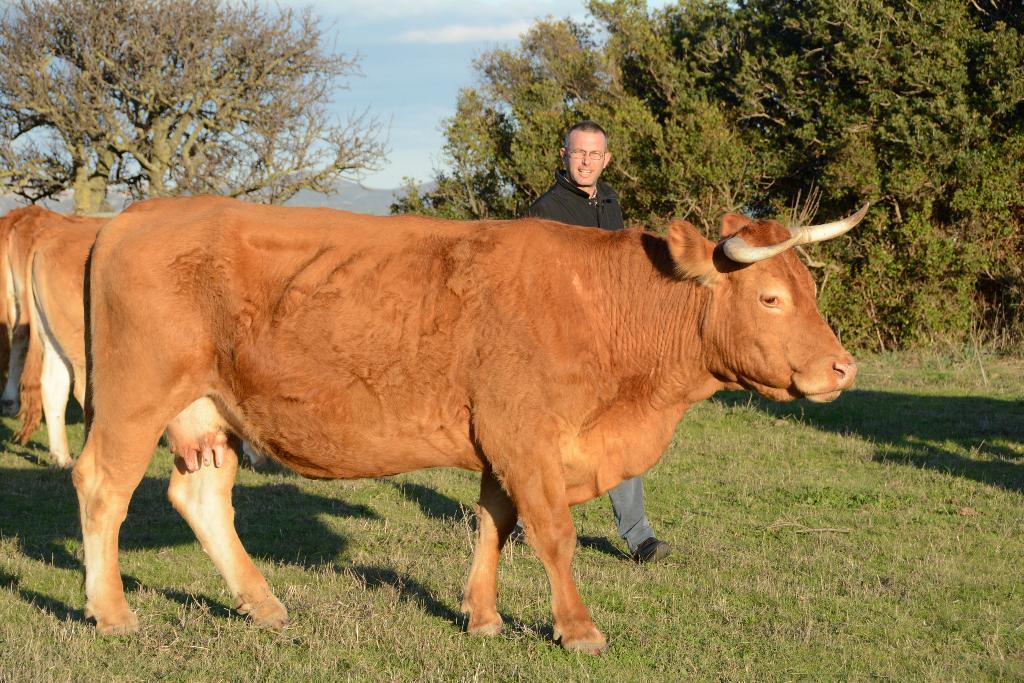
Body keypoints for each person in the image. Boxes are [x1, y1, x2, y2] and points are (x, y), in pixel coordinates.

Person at [522, 120, 671, 564]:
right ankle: (519, 519)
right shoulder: (545, 212)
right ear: (563, 156)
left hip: (611, 342)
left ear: (606, 160)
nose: (586, 161)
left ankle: (640, 537)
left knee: (617, 431)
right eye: (578, 153)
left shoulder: (609, 201)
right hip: (561, 345)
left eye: (594, 154)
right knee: (539, 438)